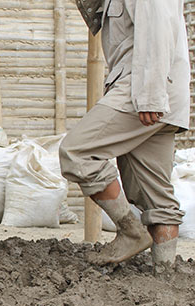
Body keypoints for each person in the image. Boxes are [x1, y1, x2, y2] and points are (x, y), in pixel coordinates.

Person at [60, 0, 190, 272]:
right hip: (154, 91)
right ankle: (164, 279)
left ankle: (130, 231)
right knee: (155, 194)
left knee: (76, 152)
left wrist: (151, 97)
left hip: (142, 89)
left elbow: (158, 30)